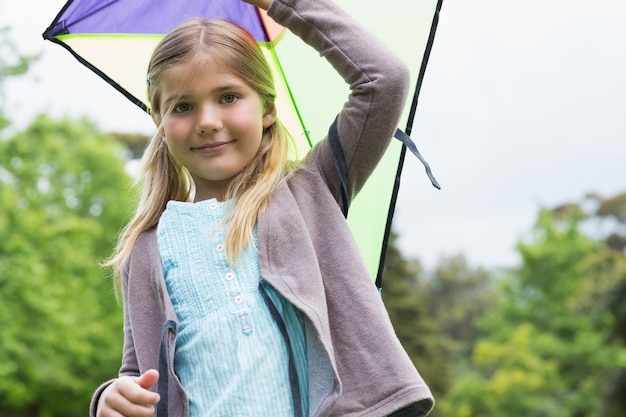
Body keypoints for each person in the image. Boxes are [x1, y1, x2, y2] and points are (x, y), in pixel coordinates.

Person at [91, 0, 434, 416]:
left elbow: (384, 80)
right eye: (182, 106)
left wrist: (283, 4)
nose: (207, 120)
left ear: (268, 108)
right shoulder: (146, 248)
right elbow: (138, 374)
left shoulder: (311, 190)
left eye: (229, 97)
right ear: (158, 121)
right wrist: (111, 399)